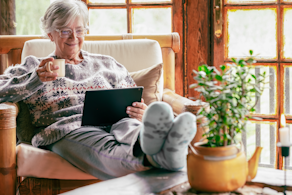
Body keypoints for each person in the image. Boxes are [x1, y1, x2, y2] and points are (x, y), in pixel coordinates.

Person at [0, 0, 197, 180]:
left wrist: (141, 111)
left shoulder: (107, 64)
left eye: (79, 30)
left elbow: (131, 96)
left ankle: (156, 141)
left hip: (117, 121)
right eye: (65, 31)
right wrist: (35, 78)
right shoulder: (35, 66)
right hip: (68, 128)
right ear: (50, 34)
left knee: (130, 128)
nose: (74, 38)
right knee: (102, 146)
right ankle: (161, 157)